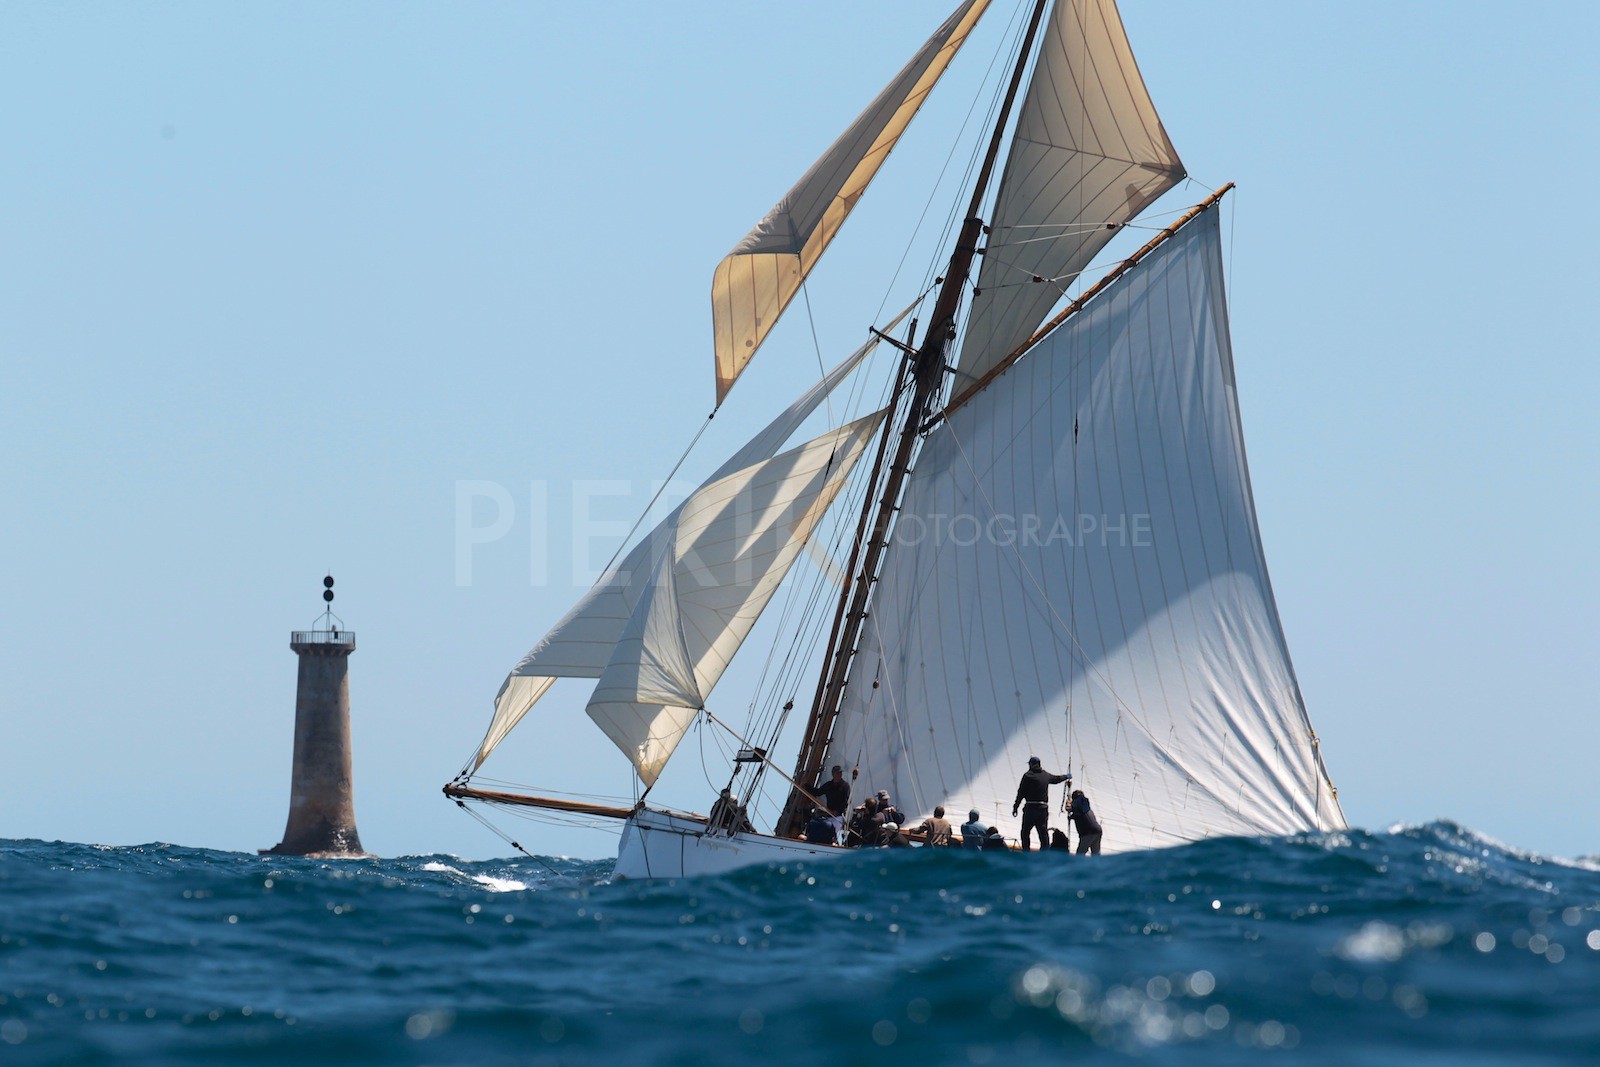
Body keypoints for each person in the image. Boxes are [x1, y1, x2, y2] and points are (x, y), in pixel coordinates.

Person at [1011, 756, 1071, 851]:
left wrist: (1015, 807)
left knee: (1025, 832)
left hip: (1030, 809)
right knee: (1043, 834)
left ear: (1031, 764)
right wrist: (1066, 776)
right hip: (1042, 809)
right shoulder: (1045, 775)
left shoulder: (1027, 776)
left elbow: (1021, 793)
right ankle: (1045, 854)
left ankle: (1026, 853)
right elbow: (1056, 779)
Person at [815, 765, 852, 838]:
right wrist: (806, 785)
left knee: (833, 835)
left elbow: (846, 801)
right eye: (838, 773)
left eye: (840, 773)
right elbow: (817, 792)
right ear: (833, 774)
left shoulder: (845, 786)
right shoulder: (828, 785)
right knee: (824, 834)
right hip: (828, 815)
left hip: (838, 817)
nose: (840, 775)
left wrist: (837, 811)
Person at [1069, 789, 1102, 855]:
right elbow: (1081, 813)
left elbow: (1075, 808)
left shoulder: (1078, 801)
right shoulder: (1085, 804)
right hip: (1097, 830)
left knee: (1080, 855)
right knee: (1096, 855)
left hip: (1088, 832)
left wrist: (1070, 806)